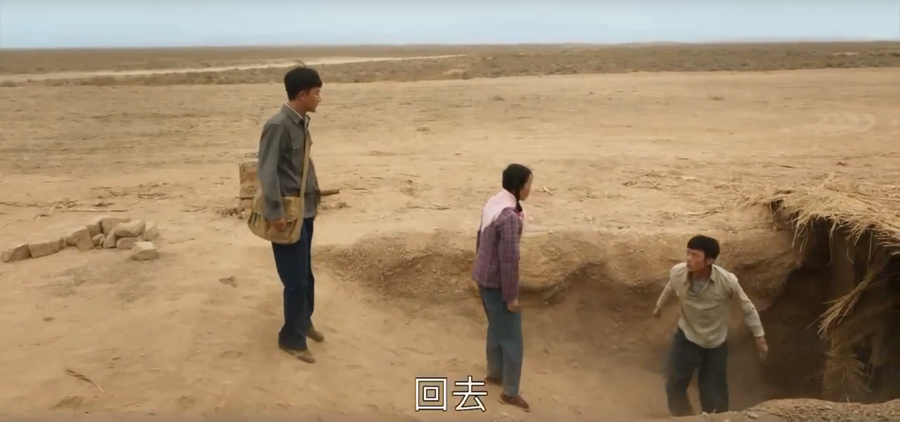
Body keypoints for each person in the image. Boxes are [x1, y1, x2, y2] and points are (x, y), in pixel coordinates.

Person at [652, 235, 769, 416]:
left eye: (695, 255)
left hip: (715, 342)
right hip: (686, 336)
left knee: (714, 395)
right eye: (688, 253)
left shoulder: (727, 281)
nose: (688, 259)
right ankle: (684, 418)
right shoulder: (678, 272)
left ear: (709, 261)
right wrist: (659, 306)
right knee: (674, 383)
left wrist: (759, 338)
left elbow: (747, 308)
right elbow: (671, 286)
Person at [257, 66, 325, 364]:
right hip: (286, 215)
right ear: (302, 94)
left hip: (304, 211)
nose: (320, 98)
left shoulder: (300, 123)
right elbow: (267, 171)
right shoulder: (278, 126)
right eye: (317, 93)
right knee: (294, 280)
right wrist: (274, 213)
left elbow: (302, 167)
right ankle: (291, 339)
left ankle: (304, 321)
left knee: (305, 274)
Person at [471, 163, 533, 412]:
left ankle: (495, 373)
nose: (530, 189)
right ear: (517, 187)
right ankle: (510, 393)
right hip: (497, 282)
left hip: (483, 276)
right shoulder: (509, 218)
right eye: (528, 185)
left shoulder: (494, 203)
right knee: (513, 338)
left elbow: (479, 238)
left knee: (496, 327)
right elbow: (509, 261)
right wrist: (511, 297)